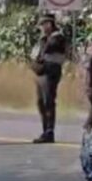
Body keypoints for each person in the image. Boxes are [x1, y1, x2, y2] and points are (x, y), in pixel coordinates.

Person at [30, 13, 67, 144]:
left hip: (51, 72)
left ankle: (49, 131)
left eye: (45, 24)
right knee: (41, 102)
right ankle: (45, 130)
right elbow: (35, 53)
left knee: (48, 101)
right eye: (42, 25)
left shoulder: (57, 37)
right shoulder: (44, 38)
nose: (43, 27)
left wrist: (40, 54)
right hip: (41, 73)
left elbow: (46, 49)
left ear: (51, 24)